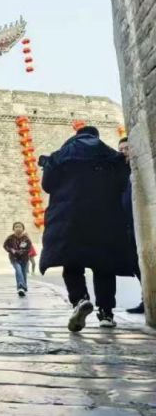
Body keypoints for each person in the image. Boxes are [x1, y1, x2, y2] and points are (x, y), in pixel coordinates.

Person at [39, 126, 134, 331]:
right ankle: (106, 314)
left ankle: (80, 300)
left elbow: (47, 185)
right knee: (104, 266)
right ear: (96, 137)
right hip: (104, 218)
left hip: (69, 218)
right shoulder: (110, 155)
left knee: (72, 262)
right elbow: (122, 183)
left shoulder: (59, 156)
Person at [119, 137, 145, 314]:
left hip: (141, 225)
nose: (123, 152)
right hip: (129, 228)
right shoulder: (120, 174)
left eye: (126, 148)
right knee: (137, 265)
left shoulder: (140, 169)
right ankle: (146, 298)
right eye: (120, 150)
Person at [3, 222, 31, 297]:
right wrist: (11, 250)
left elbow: (29, 248)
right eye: (16, 227)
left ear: (23, 229)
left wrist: (21, 252)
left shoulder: (26, 238)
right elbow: (5, 246)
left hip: (24, 258)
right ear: (13, 229)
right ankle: (21, 287)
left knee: (23, 272)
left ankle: (24, 287)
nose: (18, 228)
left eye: (20, 227)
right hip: (14, 258)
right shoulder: (10, 238)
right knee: (18, 270)